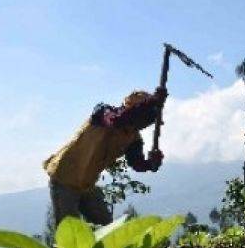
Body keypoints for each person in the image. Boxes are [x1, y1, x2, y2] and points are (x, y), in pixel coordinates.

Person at [43, 87, 167, 228]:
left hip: (87, 185)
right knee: (68, 230)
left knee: (107, 229)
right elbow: (118, 120)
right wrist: (151, 103)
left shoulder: (133, 138)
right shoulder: (103, 112)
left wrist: (151, 163)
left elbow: (137, 163)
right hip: (64, 177)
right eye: (146, 116)